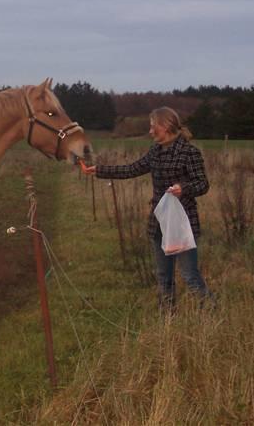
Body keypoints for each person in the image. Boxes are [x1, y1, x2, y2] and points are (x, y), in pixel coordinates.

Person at [81, 106, 214, 312]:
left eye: (153, 127)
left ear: (166, 126)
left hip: (182, 224)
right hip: (159, 223)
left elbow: (203, 184)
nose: (150, 132)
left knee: (189, 274)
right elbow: (131, 169)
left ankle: (211, 312)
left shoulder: (189, 152)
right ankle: (167, 318)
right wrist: (99, 170)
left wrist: (183, 188)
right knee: (163, 276)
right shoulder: (155, 151)